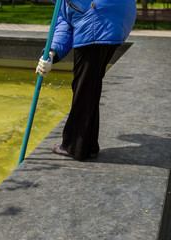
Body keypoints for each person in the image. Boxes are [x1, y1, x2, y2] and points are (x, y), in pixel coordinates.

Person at [36, 0, 136, 161]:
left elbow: (67, 18)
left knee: (83, 88)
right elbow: (66, 19)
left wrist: (50, 54)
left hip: (96, 21)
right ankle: (88, 146)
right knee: (90, 85)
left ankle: (76, 147)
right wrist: (51, 53)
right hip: (113, 20)